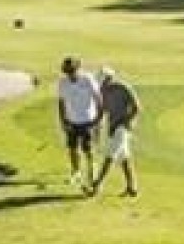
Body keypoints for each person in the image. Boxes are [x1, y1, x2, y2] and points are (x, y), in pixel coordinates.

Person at [94, 66, 141, 198]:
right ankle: (132, 187)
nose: (102, 85)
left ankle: (97, 185)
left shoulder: (123, 87)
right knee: (124, 158)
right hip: (112, 127)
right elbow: (102, 111)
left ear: (110, 78)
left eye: (104, 81)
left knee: (110, 156)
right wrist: (95, 125)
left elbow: (136, 107)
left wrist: (124, 122)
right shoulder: (102, 92)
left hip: (123, 128)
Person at [55, 57, 101, 187]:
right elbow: (61, 102)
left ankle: (93, 174)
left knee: (88, 150)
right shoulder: (62, 82)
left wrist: (98, 119)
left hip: (88, 120)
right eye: (67, 72)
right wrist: (63, 121)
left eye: (71, 71)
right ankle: (76, 173)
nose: (69, 74)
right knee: (72, 149)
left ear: (78, 69)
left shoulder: (88, 79)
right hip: (71, 121)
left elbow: (98, 99)